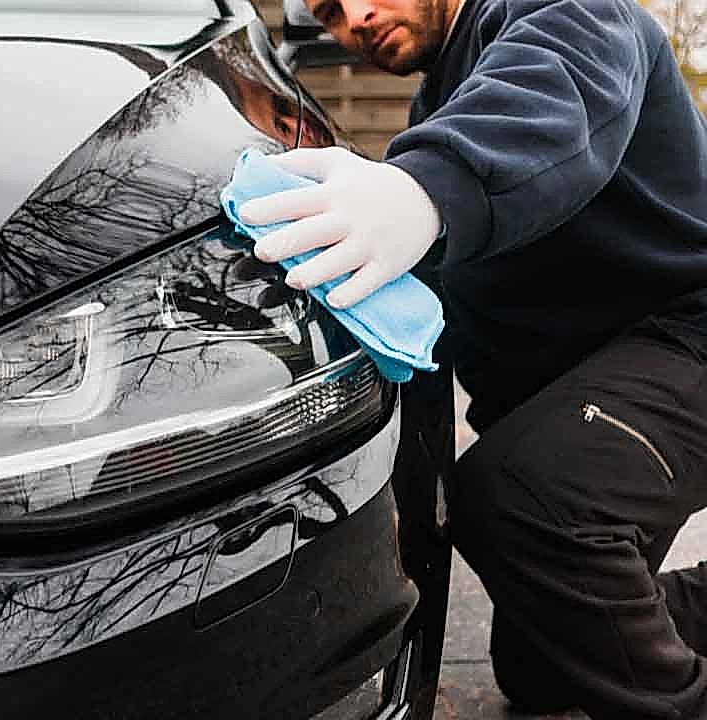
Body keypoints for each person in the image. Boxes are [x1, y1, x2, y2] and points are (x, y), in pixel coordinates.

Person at [237, 0, 707, 716]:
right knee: (544, 665)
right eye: (329, 11)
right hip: (609, 383)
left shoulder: (556, 12)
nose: (357, 15)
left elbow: (559, 84)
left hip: (690, 334)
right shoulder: (439, 106)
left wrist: (427, 188)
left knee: (521, 499)